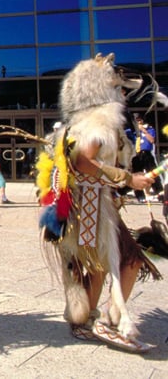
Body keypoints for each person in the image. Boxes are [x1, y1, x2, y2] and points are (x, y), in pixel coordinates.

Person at [36, 53, 160, 353]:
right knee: (103, 264)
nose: (123, 95)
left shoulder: (104, 122)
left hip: (99, 205)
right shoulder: (98, 122)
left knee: (120, 261)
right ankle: (92, 318)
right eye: (119, 90)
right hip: (88, 207)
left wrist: (131, 176)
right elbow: (82, 160)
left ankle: (102, 315)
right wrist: (129, 180)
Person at [130, 113, 161, 203]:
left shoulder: (149, 129)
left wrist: (144, 131)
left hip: (146, 153)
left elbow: (152, 140)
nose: (139, 122)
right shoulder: (132, 131)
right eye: (137, 121)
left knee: (153, 172)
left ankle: (159, 192)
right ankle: (140, 195)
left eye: (140, 120)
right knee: (136, 174)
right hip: (136, 154)